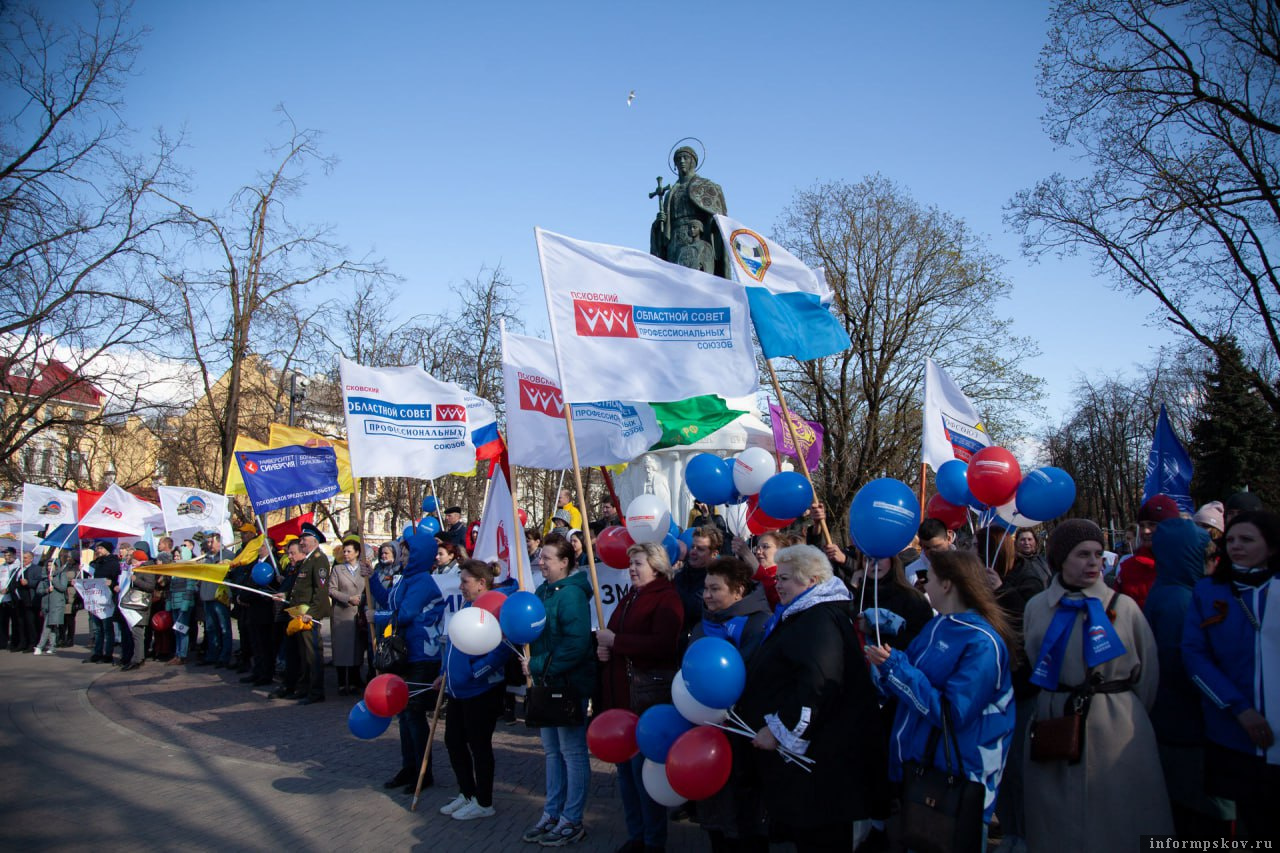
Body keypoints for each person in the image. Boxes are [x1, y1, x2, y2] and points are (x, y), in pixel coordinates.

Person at [1023, 519, 1173, 850]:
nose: (1093, 562)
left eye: (1097, 554)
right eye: (1082, 555)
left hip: (1115, 728)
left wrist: (1119, 711)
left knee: (1118, 819)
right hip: (1055, 723)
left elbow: (1147, 674)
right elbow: (1035, 657)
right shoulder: (1038, 607)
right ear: (1060, 558)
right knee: (1055, 819)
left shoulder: (1123, 607)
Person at [736, 545, 887, 851]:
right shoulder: (806, 614)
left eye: (786, 579)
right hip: (814, 764)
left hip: (824, 768)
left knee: (821, 840)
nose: (777, 584)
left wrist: (779, 730)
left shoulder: (818, 620)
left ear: (813, 581)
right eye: (778, 578)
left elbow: (817, 684)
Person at [866, 549, 1016, 848]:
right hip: (918, 772)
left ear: (947, 584)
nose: (923, 585)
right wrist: (881, 665)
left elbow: (951, 714)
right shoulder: (937, 626)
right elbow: (908, 678)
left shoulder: (982, 643)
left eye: (928, 578)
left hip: (955, 780)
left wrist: (895, 668)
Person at [1182, 509, 1280, 842]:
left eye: (1247, 539)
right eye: (1231, 539)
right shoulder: (1208, 591)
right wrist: (1239, 708)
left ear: (1271, 545)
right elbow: (1195, 656)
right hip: (1234, 735)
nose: (1236, 546)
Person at [1146, 518, 1235, 838]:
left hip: (1176, 723)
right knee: (1201, 820)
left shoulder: (1170, 591)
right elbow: (1182, 666)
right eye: (1209, 557)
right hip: (1188, 727)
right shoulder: (1180, 603)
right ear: (1189, 557)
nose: (1214, 564)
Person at [596, 542, 684, 853]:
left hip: (646, 697)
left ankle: (652, 840)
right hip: (621, 696)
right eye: (631, 563)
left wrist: (617, 642)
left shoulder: (666, 599)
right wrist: (604, 647)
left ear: (657, 567)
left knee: (643, 773)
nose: (632, 568)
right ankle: (636, 835)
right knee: (626, 773)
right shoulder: (632, 596)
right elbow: (613, 635)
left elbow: (662, 645)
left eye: (639, 564)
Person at [690, 557, 772, 852]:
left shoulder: (759, 623)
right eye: (705, 588)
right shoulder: (704, 623)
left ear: (738, 591)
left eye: (715, 589)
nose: (707, 595)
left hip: (744, 736)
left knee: (745, 818)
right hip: (707, 731)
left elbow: (757, 677)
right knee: (717, 816)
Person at [521, 537, 595, 848]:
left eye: (547, 558)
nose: (541, 562)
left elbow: (576, 645)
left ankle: (572, 818)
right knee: (552, 753)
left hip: (567, 686)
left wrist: (537, 665)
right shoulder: (542, 591)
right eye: (541, 557)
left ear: (564, 562)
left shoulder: (573, 596)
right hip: (546, 686)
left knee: (573, 753)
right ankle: (552, 812)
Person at [369, 527, 446, 792]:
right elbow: (387, 599)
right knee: (403, 714)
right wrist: (371, 581)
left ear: (418, 556)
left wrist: (377, 618)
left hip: (422, 655)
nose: (401, 555)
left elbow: (404, 614)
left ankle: (424, 772)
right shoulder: (406, 580)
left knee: (413, 713)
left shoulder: (423, 581)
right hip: (407, 654)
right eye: (401, 551)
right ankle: (408, 766)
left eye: (405, 552)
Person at [438, 559, 513, 822]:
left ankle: (484, 801)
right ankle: (467, 793)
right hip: (457, 691)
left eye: (465, 581)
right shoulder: (468, 606)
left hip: (481, 691)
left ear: (482, 583)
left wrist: (475, 673)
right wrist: (444, 674)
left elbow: (502, 648)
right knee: (453, 742)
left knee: (479, 746)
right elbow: (454, 644)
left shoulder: (495, 608)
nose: (461, 586)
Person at [649, 144, 728, 277]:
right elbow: (664, 232)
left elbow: (717, 217)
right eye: (678, 159)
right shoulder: (670, 192)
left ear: (693, 161)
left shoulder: (706, 187)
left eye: (685, 158)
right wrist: (659, 224)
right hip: (674, 242)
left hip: (697, 238)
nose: (682, 161)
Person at [849, 553, 934, 652]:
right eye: (867, 559)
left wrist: (875, 633)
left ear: (892, 560)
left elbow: (919, 640)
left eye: (880, 557)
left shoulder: (912, 598)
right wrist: (853, 587)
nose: (874, 563)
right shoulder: (859, 596)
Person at [288, 523, 332, 705]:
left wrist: (312, 614)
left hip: (309, 616)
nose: (301, 542)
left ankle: (316, 691)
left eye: (304, 539)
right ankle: (304, 687)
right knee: (303, 654)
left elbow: (320, 591)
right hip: (300, 614)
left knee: (313, 654)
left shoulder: (319, 560)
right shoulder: (308, 560)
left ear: (314, 540)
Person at [1114, 493, 1181, 608]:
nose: (1145, 531)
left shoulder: (1187, 565)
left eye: (1152, 525)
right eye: (1142, 525)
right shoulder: (1128, 568)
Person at [329, 540, 368, 696]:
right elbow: (331, 589)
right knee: (341, 649)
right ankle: (341, 682)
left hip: (358, 614)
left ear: (357, 552)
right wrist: (347, 598)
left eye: (349, 551)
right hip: (342, 612)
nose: (345, 554)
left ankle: (354, 680)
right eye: (344, 551)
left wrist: (362, 598)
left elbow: (369, 588)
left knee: (356, 648)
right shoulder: (338, 570)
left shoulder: (364, 569)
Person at [86, 541, 121, 664]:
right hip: (96, 599)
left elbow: (118, 580)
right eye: (97, 548)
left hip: (107, 600)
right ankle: (97, 653)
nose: (98, 550)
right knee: (98, 629)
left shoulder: (113, 563)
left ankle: (108, 654)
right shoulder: (97, 563)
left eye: (100, 548)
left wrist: (112, 583)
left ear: (107, 549)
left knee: (107, 628)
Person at [33, 555, 71, 656]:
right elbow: (39, 591)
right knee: (52, 626)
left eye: (52, 565)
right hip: (46, 605)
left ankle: (39, 646)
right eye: (48, 566)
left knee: (47, 626)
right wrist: (46, 590)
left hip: (57, 605)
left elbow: (63, 588)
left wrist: (53, 580)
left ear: (56, 566)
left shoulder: (61, 575)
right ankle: (52, 646)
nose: (49, 567)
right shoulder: (44, 577)